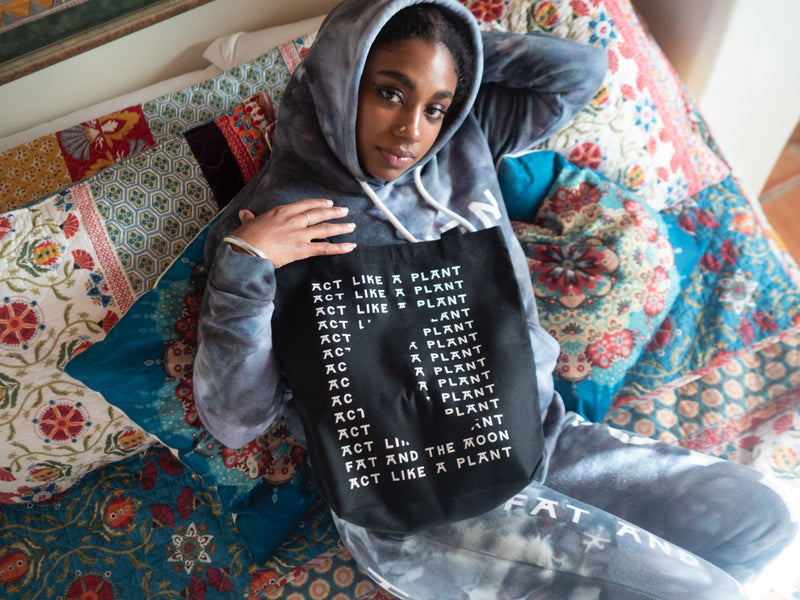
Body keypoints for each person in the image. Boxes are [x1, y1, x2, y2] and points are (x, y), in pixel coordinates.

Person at [193, 0, 799, 598]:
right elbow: (236, 421)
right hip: (418, 496)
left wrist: (455, 49)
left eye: (435, 106)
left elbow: (579, 71)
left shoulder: (461, 145)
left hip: (539, 435)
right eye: (391, 93)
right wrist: (247, 266)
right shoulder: (271, 223)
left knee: (760, 520)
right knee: (697, 592)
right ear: (339, 77)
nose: (410, 131)